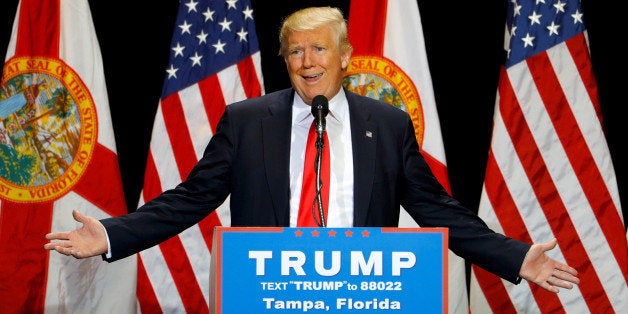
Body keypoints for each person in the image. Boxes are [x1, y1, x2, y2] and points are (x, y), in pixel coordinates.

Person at [44, 6, 579, 293]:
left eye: (319, 47)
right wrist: (113, 234)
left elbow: (439, 212)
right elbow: (190, 199)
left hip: (365, 298)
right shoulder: (247, 120)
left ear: (345, 55)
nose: (307, 61)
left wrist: (514, 256)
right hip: (267, 297)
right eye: (295, 51)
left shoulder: (387, 125)